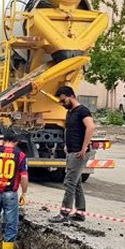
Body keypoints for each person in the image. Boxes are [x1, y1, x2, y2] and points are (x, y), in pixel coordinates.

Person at [49, 86, 94, 223]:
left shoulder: (83, 111)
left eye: (63, 100)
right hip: (71, 151)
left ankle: (64, 213)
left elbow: (91, 127)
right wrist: (66, 145)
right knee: (77, 183)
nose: (62, 104)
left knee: (69, 182)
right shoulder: (70, 112)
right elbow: (69, 129)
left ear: (71, 96)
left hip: (78, 153)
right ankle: (80, 213)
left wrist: (84, 147)